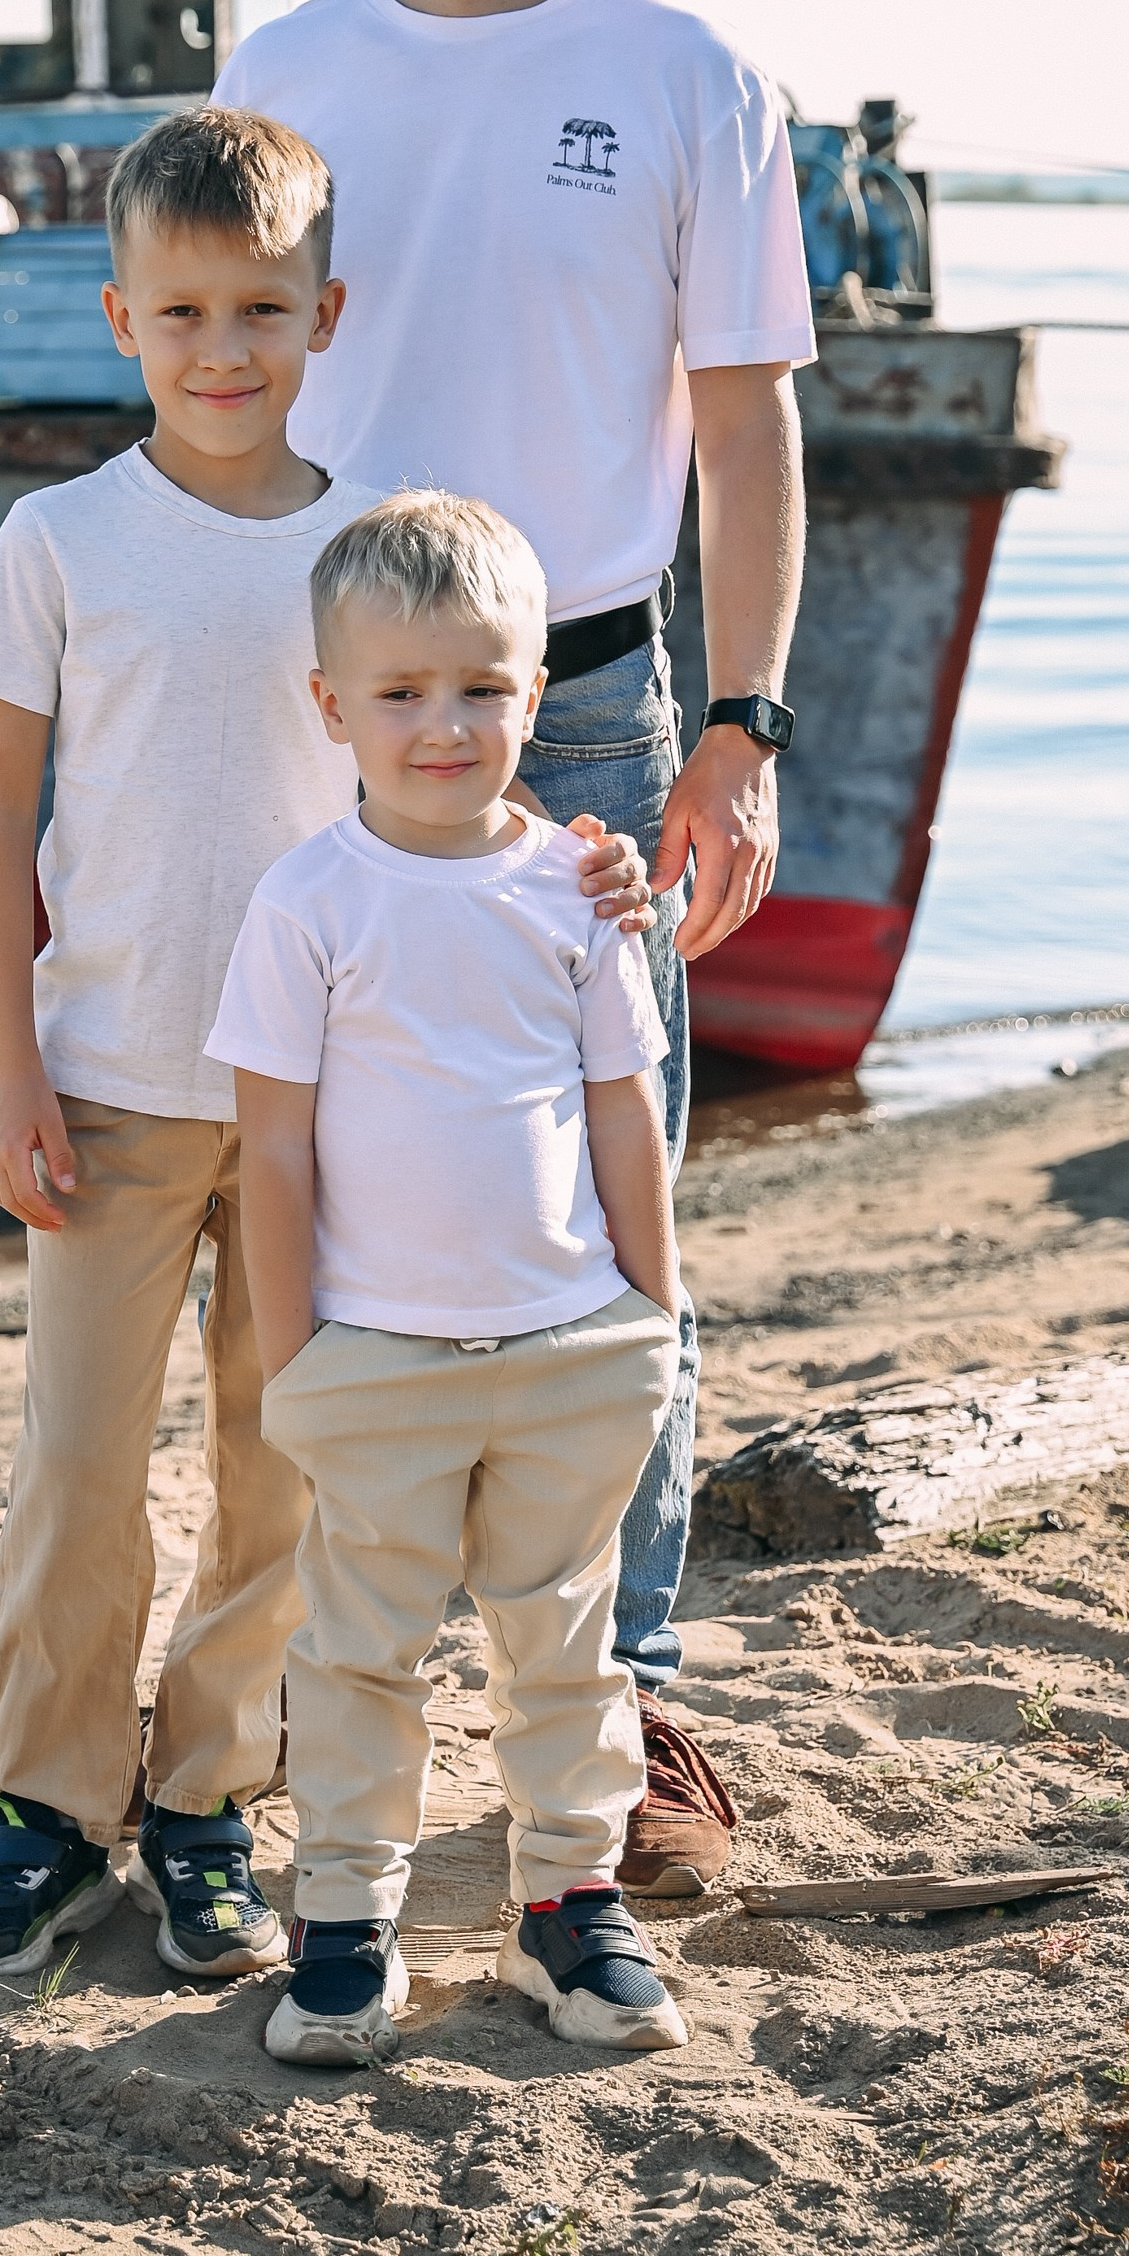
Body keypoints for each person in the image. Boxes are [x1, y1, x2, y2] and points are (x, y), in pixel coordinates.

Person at [0, 107, 649, 1985]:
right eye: (181, 312)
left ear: (327, 312)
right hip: (105, 1086)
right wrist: (7, 1072)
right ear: (119, 317)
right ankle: (47, 1812)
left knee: (283, 1467)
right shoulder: (59, 541)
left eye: (260, 307)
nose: (221, 348)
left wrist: (590, 864)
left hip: (338, 1113)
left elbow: (445, 767)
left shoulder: (366, 546)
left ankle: (203, 1802)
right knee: (77, 1468)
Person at [214, 0, 814, 1887]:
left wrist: (738, 731)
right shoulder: (283, 71)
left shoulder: (683, 74)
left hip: (581, 689)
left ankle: (624, 1696)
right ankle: (304, 1666)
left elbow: (749, 440)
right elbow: (218, 389)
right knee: (303, 1163)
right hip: (322, 674)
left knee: (609, 1179)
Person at [211, 491, 687, 2066]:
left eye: (481, 688)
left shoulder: (575, 890)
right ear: (329, 705)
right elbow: (271, 1153)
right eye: (401, 693)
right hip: (375, 1359)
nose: (442, 726)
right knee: (359, 1649)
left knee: (568, 1642)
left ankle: (568, 1906)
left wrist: (652, 1314)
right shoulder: (307, 905)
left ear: (535, 696)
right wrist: (300, 1358)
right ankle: (346, 1926)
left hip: (573, 1343)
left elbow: (620, 1103)